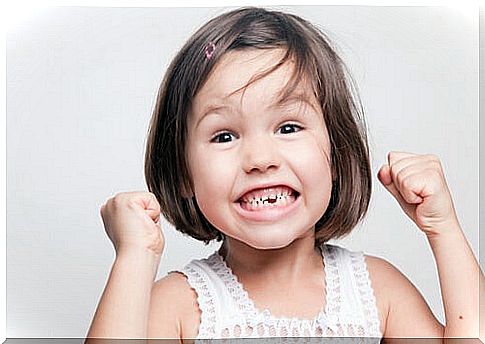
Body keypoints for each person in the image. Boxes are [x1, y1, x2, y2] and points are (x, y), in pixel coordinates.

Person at [85, 7, 483, 342]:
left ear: (337, 153)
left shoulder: (377, 291)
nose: (260, 158)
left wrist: (443, 230)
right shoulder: (179, 307)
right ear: (183, 172)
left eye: (289, 127)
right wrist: (134, 256)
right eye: (224, 135)